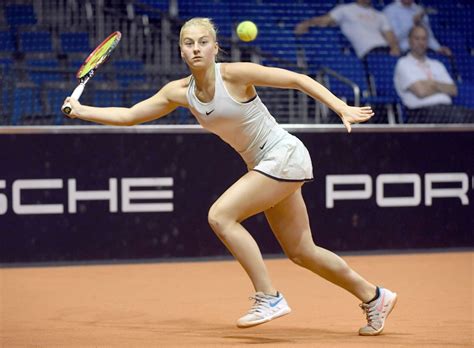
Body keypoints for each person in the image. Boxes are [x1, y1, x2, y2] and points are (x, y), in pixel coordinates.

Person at [63, 17, 398, 335]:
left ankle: (269, 296)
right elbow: (130, 115)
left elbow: (297, 79)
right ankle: (374, 296)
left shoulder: (235, 75)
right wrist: (82, 111)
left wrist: (340, 106)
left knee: (220, 215)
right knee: (301, 251)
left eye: (203, 42)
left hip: (282, 154)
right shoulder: (178, 92)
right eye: (188, 43)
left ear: (215, 48)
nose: (195, 48)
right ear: (181, 50)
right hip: (265, 165)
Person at [394, 25, 474, 123]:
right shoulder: (403, 64)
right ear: (409, 41)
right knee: (456, 117)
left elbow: (453, 90)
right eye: (417, 38)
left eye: (424, 39)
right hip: (421, 113)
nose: (420, 42)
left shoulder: (437, 64)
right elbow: (421, 92)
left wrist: (431, 84)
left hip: (447, 109)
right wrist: (440, 86)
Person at [294, 0, 400, 59]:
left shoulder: (380, 15)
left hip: (386, 52)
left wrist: (395, 49)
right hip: (368, 54)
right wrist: (306, 23)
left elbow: (390, 37)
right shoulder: (345, 10)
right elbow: (325, 20)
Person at [383, 0, 451, 56]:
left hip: (425, 51)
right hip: (405, 52)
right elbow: (394, 38)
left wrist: (438, 48)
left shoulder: (419, 9)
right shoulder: (390, 10)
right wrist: (413, 23)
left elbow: (428, 35)